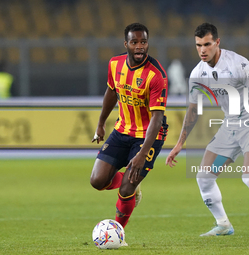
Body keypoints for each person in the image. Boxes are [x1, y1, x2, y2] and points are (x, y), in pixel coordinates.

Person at [166, 23, 249, 237]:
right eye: (198, 45)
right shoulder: (198, 73)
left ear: (217, 42)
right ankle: (223, 224)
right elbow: (193, 110)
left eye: (207, 44)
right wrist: (179, 144)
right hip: (229, 127)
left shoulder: (237, 64)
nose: (203, 50)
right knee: (203, 177)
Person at [90, 23, 168, 245]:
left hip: (148, 135)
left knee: (126, 189)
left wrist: (142, 153)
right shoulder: (115, 64)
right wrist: (101, 124)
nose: (140, 46)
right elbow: (111, 92)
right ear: (126, 44)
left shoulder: (156, 75)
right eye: (134, 42)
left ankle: (117, 235)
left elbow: (157, 118)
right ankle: (133, 187)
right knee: (97, 181)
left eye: (143, 42)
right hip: (122, 129)